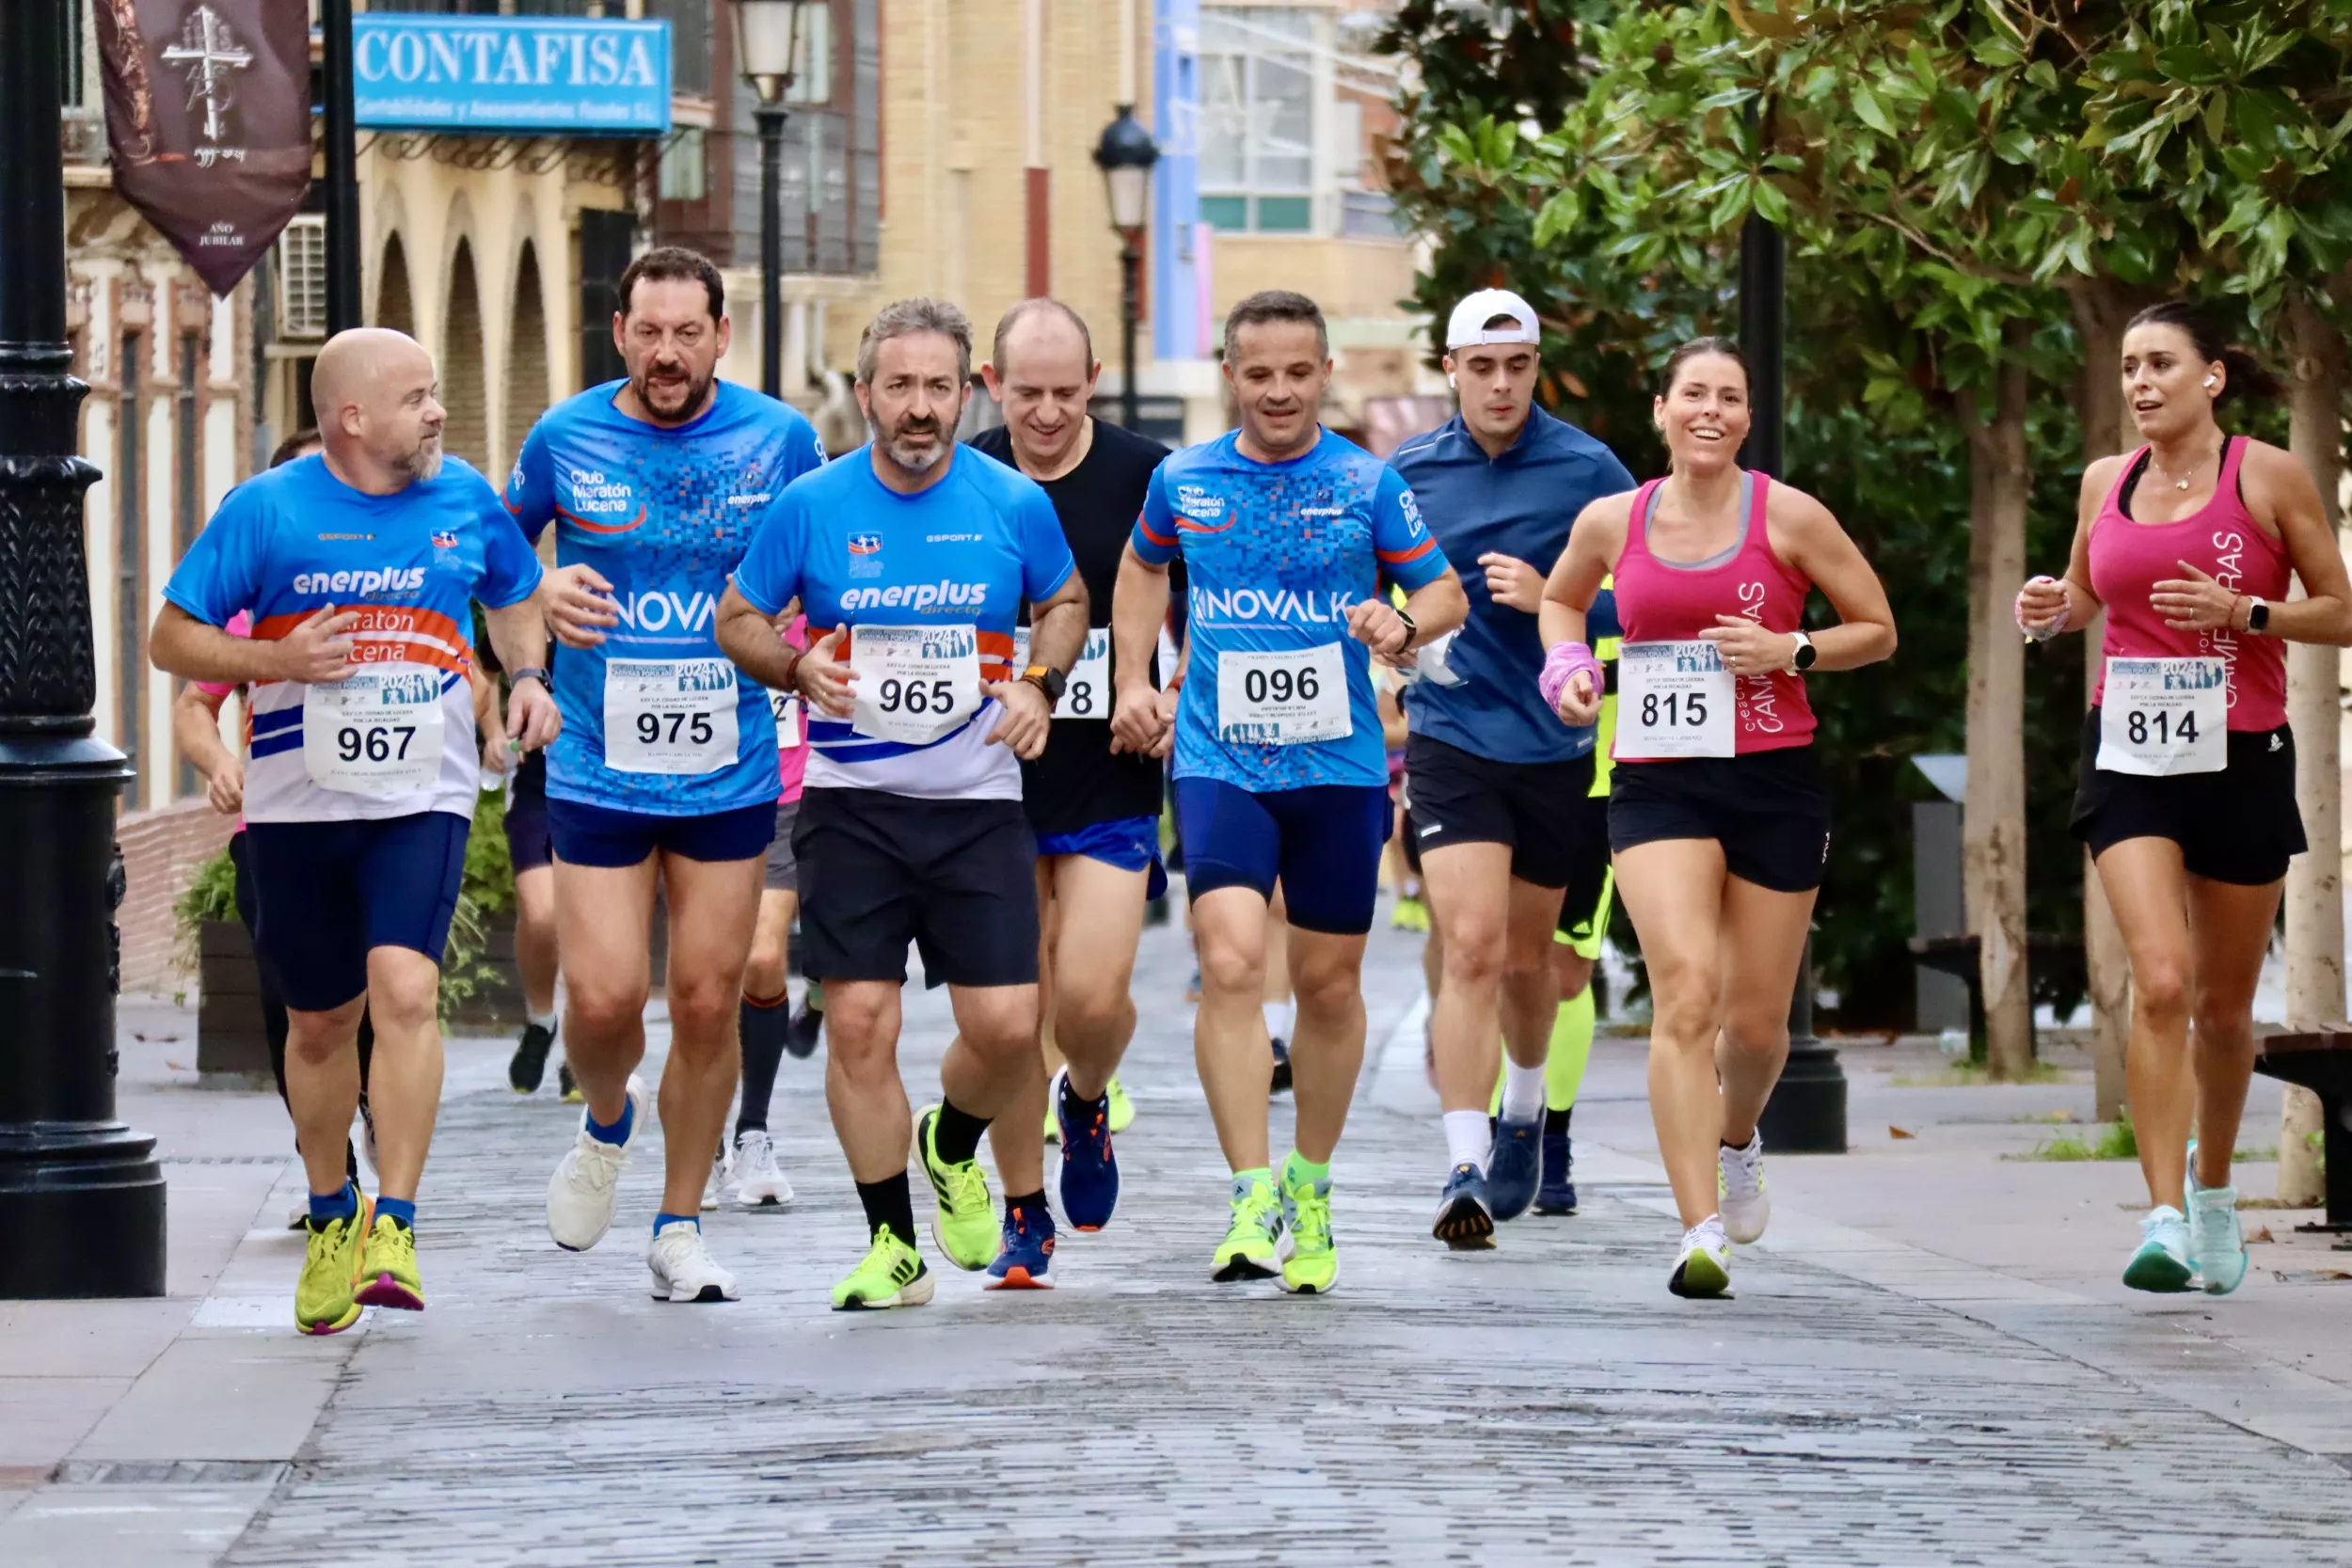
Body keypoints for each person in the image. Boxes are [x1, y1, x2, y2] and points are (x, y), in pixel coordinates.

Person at [151, 327, 558, 1335]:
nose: (436, 412)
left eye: (435, 391)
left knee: (407, 987)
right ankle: (334, 1207)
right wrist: (277, 665)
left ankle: (398, 1223)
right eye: (417, 397)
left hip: (421, 794)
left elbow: (513, 596)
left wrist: (528, 675)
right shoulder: (268, 510)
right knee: (321, 1021)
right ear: (351, 418)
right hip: (295, 802)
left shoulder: (464, 496)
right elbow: (171, 638)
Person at [716, 297, 1087, 1310]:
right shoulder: (813, 504)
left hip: (976, 805)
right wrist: (796, 667)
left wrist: (1037, 684)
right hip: (853, 806)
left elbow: (1065, 601)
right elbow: (736, 616)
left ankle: (949, 1138)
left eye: (937, 387)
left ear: (967, 394)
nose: (918, 408)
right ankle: (893, 1247)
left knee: (1010, 1025)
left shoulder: (1011, 502)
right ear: (866, 391)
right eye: (898, 386)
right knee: (859, 1025)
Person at [1110, 290, 1467, 1294]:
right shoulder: (1184, 478)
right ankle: (1248, 1191)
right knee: (1226, 959)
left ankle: (1310, 1180)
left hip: (1337, 767)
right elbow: (1140, 572)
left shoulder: (1367, 482)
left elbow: (1443, 593)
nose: (1276, 390)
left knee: (1327, 985)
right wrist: (1136, 677)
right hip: (1221, 757)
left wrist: (1399, 627)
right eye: (1257, 372)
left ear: (1323, 375)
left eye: (1296, 372)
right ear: (1231, 373)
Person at [1539, 336, 1896, 1299]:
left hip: (1772, 778)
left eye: (1728, 397)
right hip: (1658, 781)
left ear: (1746, 416)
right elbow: (1560, 599)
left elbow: (1876, 626)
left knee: (1754, 1025)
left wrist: (1794, 649)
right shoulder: (1615, 518)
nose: (1710, 410)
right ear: (1660, 409)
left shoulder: (1789, 515)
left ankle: (1738, 1137)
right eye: (1692, 393)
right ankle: (1697, 1227)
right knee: (1685, 991)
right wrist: (1566, 665)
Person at [2016, 302, 2352, 1294]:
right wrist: (2050, 609)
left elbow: (2338, 609)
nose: (2139, 383)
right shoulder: (2101, 482)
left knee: (2221, 1003)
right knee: (2157, 980)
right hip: (2126, 749)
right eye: (2127, 366)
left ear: (2211, 376)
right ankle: (2160, 1213)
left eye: (2160, 363)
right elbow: (2085, 595)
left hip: (2241, 752)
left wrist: (2246, 609)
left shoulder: (2268, 474)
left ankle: (2212, 1189)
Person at [516, 246, 827, 1305]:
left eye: (686, 332)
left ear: (719, 337)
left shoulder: (780, 438)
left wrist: (809, 636)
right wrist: (541, 595)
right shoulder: (563, 436)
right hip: (598, 760)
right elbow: (498, 567)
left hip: (729, 762)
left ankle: (679, 1221)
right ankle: (608, 1117)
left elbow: (823, 560)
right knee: (601, 1001)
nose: (665, 352)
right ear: (619, 334)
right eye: (647, 331)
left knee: (706, 1000)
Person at [1387, 289, 1635, 1249]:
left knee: (1535, 965)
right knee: (1473, 947)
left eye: (1516, 365)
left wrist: (1554, 603)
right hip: (1451, 739)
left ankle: (1524, 1110)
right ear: (1448, 368)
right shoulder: (1406, 472)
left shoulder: (1588, 468)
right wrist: (1390, 631)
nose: (1499, 384)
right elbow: (1370, 585)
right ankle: (1462, 1163)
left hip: (1556, 745)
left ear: (1537, 365)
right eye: (1480, 366)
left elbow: (1652, 595)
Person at [954, 298, 1170, 1282]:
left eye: (1065, 392)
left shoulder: (1143, 475)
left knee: (1090, 997)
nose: (1045, 413)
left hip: (1109, 774)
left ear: (1093, 384)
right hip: (989, 777)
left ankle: (1086, 1096)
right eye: (1025, 392)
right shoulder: (965, 478)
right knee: (1013, 1009)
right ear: (992, 387)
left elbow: (1199, 607)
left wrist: (1161, 690)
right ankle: (1021, 1210)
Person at [172, 427, 380, 1226]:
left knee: (382, 988)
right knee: (289, 999)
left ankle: (378, 1137)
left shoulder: (387, 586)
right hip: (275, 821)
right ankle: (327, 1171)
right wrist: (220, 762)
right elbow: (195, 706)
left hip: (382, 817)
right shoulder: (251, 600)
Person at [728, 611, 813, 1209]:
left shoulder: (821, 578)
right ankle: (703, 1135)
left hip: (794, 798)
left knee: (762, 956)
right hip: (712, 792)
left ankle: (751, 1130)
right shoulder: (710, 582)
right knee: (703, 975)